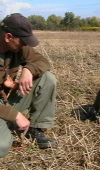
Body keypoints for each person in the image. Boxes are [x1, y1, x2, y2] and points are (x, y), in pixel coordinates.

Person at [0, 13, 57, 158]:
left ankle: (35, 127)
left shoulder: (17, 47)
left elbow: (42, 61)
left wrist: (28, 69)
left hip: (6, 99)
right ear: (8, 37)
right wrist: (15, 115)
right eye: (23, 41)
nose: (26, 45)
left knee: (47, 78)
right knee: (2, 146)